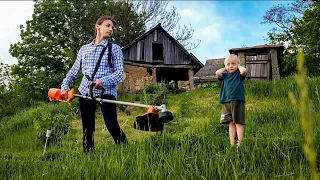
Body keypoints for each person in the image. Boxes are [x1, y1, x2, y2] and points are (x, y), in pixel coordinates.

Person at [61, 16, 128, 152]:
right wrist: (65, 87)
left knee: (111, 124)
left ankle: (126, 150)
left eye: (112, 28)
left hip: (106, 91)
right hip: (85, 90)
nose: (111, 29)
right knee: (87, 127)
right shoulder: (84, 49)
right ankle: (88, 155)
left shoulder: (114, 49)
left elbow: (120, 73)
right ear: (98, 26)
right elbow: (74, 71)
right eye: (108, 26)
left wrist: (104, 81)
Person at [215, 54, 247, 146]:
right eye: (228, 64)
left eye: (233, 64)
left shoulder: (239, 75)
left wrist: (239, 66)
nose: (231, 66)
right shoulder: (224, 75)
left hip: (237, 100)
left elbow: (244, 71)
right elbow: (217, 73)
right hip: (226, 101)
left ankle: (240, 143)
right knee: (231, 123)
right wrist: (225, 68)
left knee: (238, 122)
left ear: (238, 64)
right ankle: (232, 143)